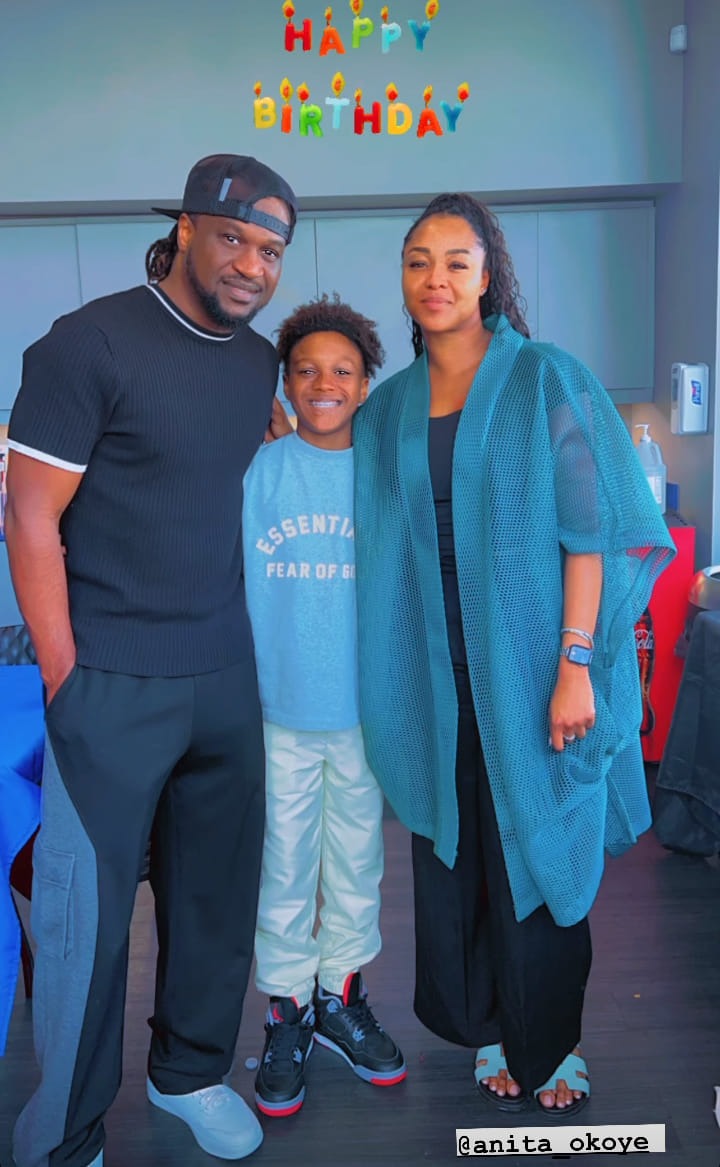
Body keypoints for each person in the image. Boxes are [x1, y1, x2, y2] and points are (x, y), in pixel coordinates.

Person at [351, 193, 675, 1117]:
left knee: (537, 845)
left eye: (456, 261)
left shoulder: (542, 378)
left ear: (488, 274)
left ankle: (554, 1042)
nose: (436, 279)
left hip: (533, 667)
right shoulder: (389, 409)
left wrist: (575, 663)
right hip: (432, 672)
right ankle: (493, 1023)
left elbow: (591, 530)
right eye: (418, 261)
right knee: (460, 858)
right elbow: (372, 539)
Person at [5, 153, 298, 1167]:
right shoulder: (87, 345)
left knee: (216, 900)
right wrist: (64, 675)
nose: (253, 265)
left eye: (272, 250)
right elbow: (30, 518)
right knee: (85, 928)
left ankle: (189, 1074)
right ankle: (64, 1134)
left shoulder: (257, 364)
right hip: (110, 680)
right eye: (235, 239)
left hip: (224, 671)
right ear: (185, 229)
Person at [242, 295, 406, 1119]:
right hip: (277, 710)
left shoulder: (385, 473)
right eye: (305, 370)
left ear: (366, 384)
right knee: (282, 865)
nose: (323, 383)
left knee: (356, 862)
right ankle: (285, 1010)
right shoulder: (258, 470)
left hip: (363, 713)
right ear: (286, 383)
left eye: (342, 370)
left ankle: (339, 996)